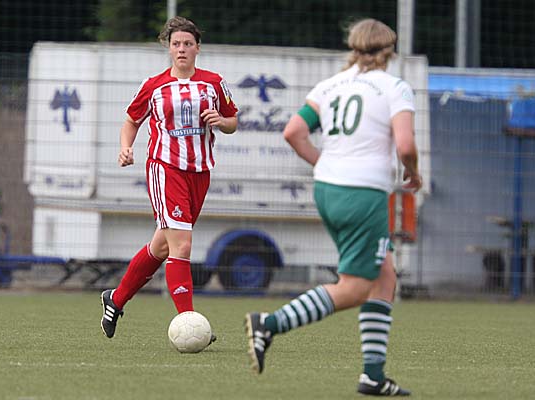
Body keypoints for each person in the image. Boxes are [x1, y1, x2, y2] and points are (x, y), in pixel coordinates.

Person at [244, 18, 421, 396]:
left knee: (384, 275)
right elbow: (405, 145)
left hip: (328, 189)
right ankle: (268, 325)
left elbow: (293, 132)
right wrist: (413, 172)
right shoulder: (395, 87)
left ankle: (373, 376)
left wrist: (324, 163)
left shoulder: (329, 86)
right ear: (389, 50)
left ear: (353, 47)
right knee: (355, 288)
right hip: (363, 194)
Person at [101, 16, 238, 343]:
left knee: (162, 246)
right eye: (176, 44)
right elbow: (131, 121)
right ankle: (189, 322)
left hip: (200, 173)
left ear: (197, 48)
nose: (182, 49)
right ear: (169, 48)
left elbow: (232, 121)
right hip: (165, 168)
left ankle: (115, 299)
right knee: (182, 245)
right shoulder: (154, 85)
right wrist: (125, 148)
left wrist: (221, 121)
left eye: (188, 44)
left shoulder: (214, 83)